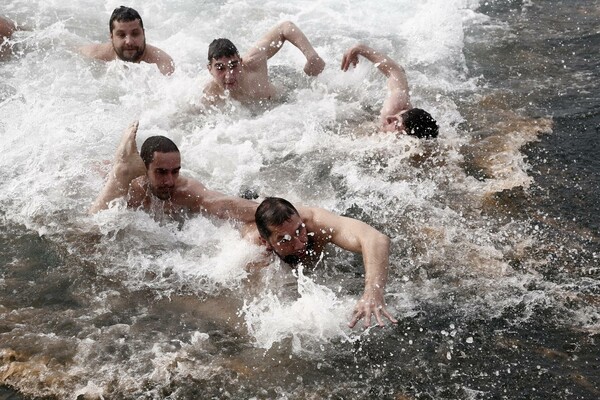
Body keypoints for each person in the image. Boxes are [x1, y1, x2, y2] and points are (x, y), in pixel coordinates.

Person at [244, 197, 398, 329]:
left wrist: (373, 292)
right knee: (230, 206)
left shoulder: (316, 222)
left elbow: (376, 239)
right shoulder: (254, 253)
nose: (299, 245)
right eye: (284, 240)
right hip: (248, 226)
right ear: (266, 242)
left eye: (299, 231)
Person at [89, 121, 257, 223]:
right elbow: (93, 223)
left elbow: (223, 205)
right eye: (161, 172)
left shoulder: (186, 190)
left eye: (175, 172)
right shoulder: (129, 187)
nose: (170, 181)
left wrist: (270, 212)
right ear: (143, 167)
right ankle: (122, 167)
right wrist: (119, 175)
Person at [203, 21, 325, 105]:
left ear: (240, 62)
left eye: (233, 66)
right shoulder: (210, 96)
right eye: (220, 68)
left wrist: (312, 56)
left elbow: (285, 27)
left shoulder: (253, 62)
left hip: (288, 94)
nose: (229, 75)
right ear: (210, 69)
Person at [341, 44, 439, 139]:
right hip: (362, 116)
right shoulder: (395, 107)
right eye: (399, 116)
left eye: (396, 125)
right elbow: (395, 71)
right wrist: (360, 48)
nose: (390, 118)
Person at [80, 6, 175, 76]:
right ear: (111, 37)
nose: (129, 41)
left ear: (143, 34)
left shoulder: (162, 65)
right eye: (121, 35)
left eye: (135, 34)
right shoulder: (94, 54)